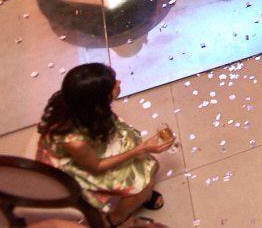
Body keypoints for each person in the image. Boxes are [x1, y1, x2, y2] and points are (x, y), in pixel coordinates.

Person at [36, 63, 173, 228]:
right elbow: (96, 167)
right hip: (76, 167)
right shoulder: (74, 140)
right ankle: (115, 220)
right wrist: (142, 148)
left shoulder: (79, 101)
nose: (119, 83)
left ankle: (140, 196)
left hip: (91, 148)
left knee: (152, 166)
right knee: (147, 184)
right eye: (112, 86)